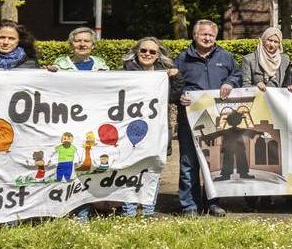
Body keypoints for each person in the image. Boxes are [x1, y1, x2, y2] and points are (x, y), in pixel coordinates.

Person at [174, 19, 241, 217]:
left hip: (217, 118)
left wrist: (230, 82)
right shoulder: (182, 59)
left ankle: (213, 202)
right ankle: (190, 205)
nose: (208, 38)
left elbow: (237, 75)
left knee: (214, 162)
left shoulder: (225, 57)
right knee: (189, 162)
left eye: (211, 35)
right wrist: (179, 96)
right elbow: (172, 86)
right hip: (190, 118)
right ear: (194, 36)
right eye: (203, 34)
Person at [46, 27, 110, 221]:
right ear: (71, 44)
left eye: (86, 41)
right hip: (68, 122)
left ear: (92, 45)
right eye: (78, 41)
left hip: (93, 121)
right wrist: (50, 75)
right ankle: (74, 208)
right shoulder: (61, 64)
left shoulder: (101, 65)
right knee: (70, 163)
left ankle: (89, 204)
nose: (82, 44)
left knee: (89, 164)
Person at [120, 37, 184, 217]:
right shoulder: (125, 72)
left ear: (158, 56)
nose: (147, 54)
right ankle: (129, 209)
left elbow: (174, 96)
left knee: (153, 170)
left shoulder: (163, 75)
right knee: (129, 169)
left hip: (156, 130)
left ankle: (148, 208)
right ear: (136, 52)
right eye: (144, 51)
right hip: (130, 129)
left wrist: (177, 77)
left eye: (152, 52)